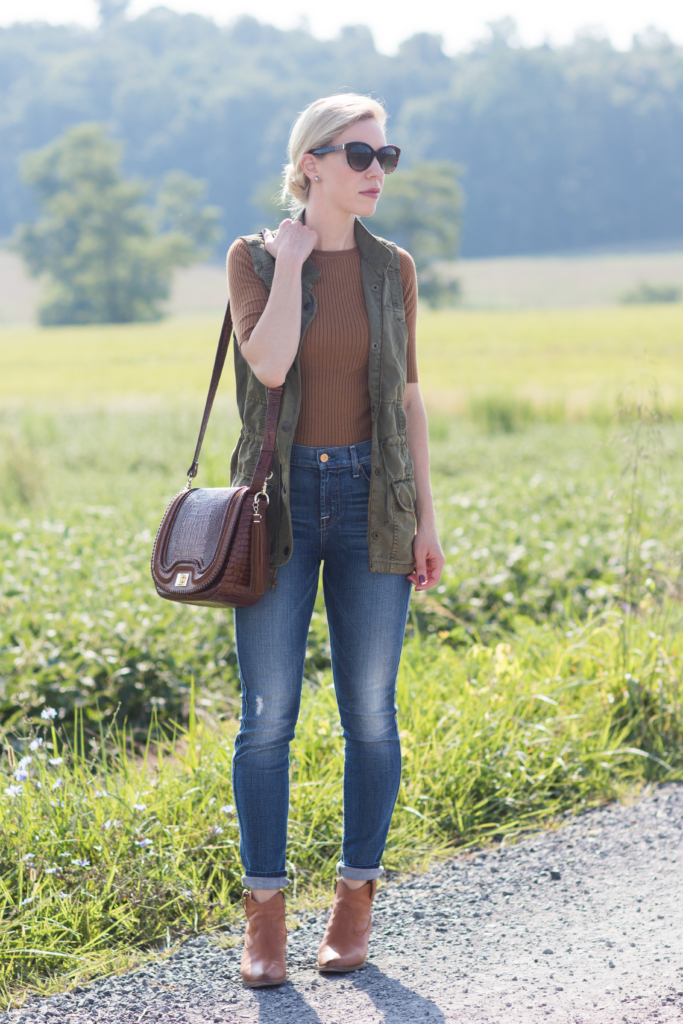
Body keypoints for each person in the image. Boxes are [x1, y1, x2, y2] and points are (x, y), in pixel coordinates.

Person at [226, 92, 445, 987]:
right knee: (267, 717)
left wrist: (427, 517)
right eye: (359, 155)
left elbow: (407, 398)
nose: (376, 171)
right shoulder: (251, 258)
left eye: (384, 155)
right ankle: (266, 913)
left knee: (370, 709)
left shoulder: (394, 268)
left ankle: (355, 895)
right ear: (309, 161)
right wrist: (291, 264)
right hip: (276, 506)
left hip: (371, 501)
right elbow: (270, 364)